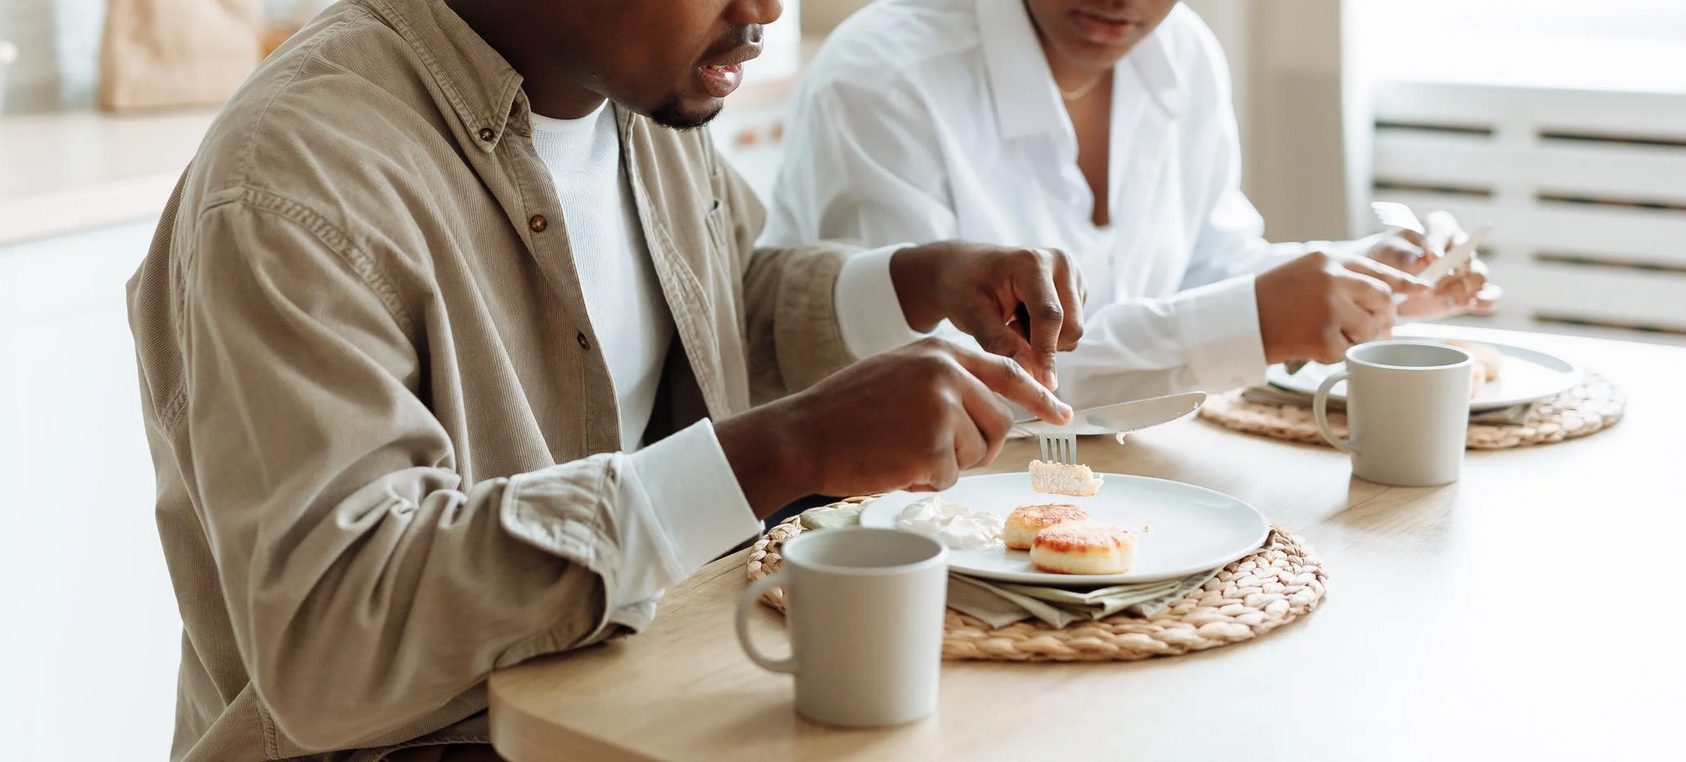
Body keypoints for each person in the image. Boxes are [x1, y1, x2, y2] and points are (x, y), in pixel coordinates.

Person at [125, 0, 1088, 758]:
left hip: (633, 709)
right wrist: (788, 448)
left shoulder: (648, 98)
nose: (764, 10)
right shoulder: (298, 180)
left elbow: (715, 306)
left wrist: (911, 285)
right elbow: (338, 630)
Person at [765, 0, 1501, 408]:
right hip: (907, 522)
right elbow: (927, 386)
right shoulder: (884, 81)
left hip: (1125, 483)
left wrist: (1356, 279)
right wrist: (1251, 320)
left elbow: (1211, 265)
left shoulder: (1180, 53)